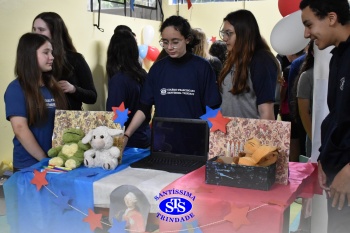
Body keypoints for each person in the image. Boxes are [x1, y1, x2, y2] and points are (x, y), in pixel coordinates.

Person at [122, 15, 221, 146]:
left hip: (195, 141)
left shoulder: (202, 67)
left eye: (175, 42)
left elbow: (213, 108)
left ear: (187, 39)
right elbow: (144, 108)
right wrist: (127, 135)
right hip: (163, 140)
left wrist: (214, 142)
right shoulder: (157, 69)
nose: (169, 47)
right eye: (165, 42)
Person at [300, 1, 350, 233]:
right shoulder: (337, 56)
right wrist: (323, 157)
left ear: (331, 18)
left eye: (309, 25)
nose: (306, 33)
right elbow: (336, 118)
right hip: (336, 173)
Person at [4, 33, 67, 172]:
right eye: (46, 53)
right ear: (30, 56)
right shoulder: (16, 89)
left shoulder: (52, 86)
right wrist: (45, 161)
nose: (52, 57)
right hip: (30, 166)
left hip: (56, 162)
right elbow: (20, 129)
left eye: (51, 52)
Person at [218, 9, 280, 120]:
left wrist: (262, 137)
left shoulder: (262, 60)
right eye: (224, 33)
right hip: (228, 134)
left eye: (229, 33)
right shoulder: (233, 59)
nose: (225, 38)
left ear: (244, 33)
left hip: (251, 135)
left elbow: (266, 111)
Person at [32, 12, 97, 110]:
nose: (36, 34)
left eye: (41, 30)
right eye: (34, 29)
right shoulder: (31, 58)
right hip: (42, 121)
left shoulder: (75, 59)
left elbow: (92, 96)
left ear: (55, 32)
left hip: (69, 121)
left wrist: (73, 89)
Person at [106, 31, 151, 148]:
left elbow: (114, 116)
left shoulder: (119, 80)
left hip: (126, 141)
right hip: (145, 137)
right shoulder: (143, 75)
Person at [291, 42, 315, 233]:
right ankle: (304, 225)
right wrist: (315, 138)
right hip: (314, 141)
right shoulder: (307, 76)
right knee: (311, 184)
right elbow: (303, 112)